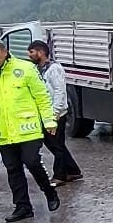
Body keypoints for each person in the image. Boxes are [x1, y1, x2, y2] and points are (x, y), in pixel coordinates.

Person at [0, 38, 60, 223]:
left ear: (5, 51)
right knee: (13, 169)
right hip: (1, 131)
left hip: (27, 128)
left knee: (32, 162)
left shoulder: (24, 68)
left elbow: (41, 96)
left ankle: (49, 191)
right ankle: (23, 207)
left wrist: (49, 121)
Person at [28, 40, 83, 185]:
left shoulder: (54, 69)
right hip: (46, 113)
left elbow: (60, 91)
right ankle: (73, 171)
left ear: (41, 52)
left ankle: (59, 176)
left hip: (55, 114)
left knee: (56, 146)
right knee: (56, 145)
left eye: (32, 52)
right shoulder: (38, 69)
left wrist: (56, 112)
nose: (30, 56)